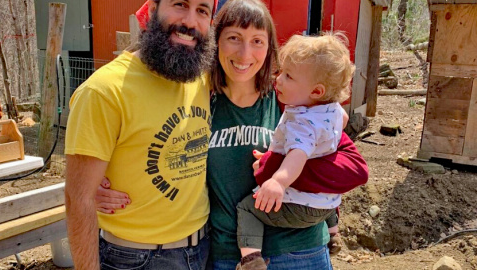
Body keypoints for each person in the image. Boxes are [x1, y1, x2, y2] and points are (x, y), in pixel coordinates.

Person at [96, 0, 369, 269]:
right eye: (234, 38)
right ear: (215, 41)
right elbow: (159, 153)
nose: (244, 53)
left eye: (257, 41)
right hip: (230, 255)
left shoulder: (293, 101)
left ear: (269, 49)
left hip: (300, 251)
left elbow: (355, 170)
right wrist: (104, 183)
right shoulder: (197, 99)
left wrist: (272, 167)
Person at [64, 0, 219, 269]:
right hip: (134, 258)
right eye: (180, 4)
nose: (191, 21)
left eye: (202, 10)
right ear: (153, 8)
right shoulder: (104, 91)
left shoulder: (201, 76)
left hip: (204, 248)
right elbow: (78, 198)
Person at [235, 33, 356, 270]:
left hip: (298, 206)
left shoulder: (301, 122)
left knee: (247, 208)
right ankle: (334, 234)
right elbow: (343, 119)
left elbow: (298, 155)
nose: (278, 80)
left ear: (317, 91)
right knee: (327, 191)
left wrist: (278, 181)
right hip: (326, 206)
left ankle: (251, 259)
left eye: (288, 76)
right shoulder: (332, 111)